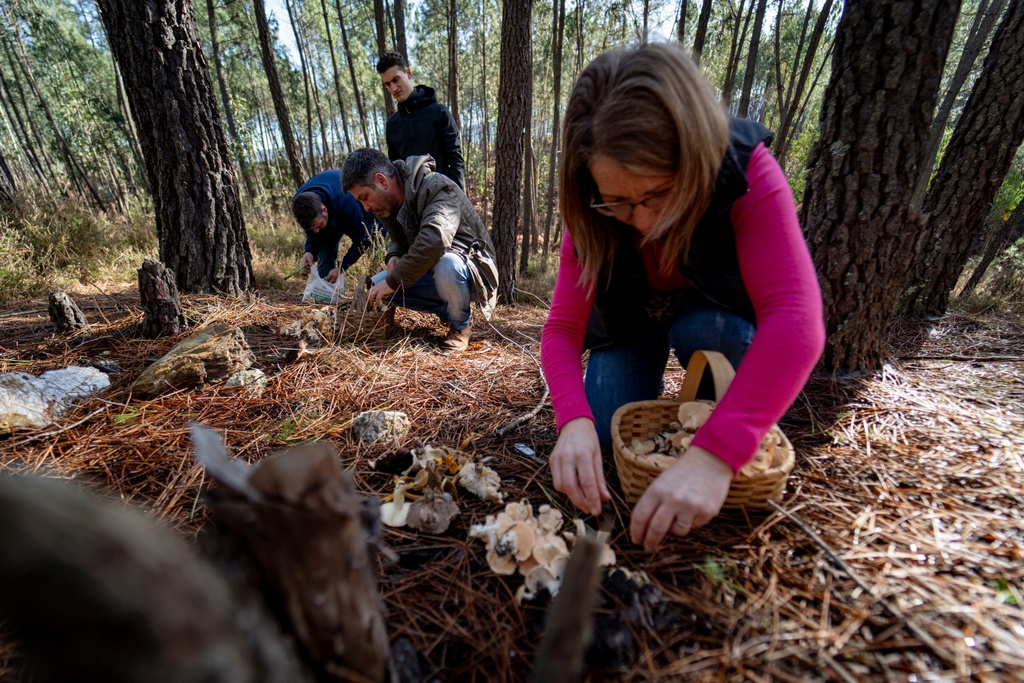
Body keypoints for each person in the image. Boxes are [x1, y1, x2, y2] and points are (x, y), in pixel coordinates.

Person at [540, 43, 826, 552]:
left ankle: (712, 423)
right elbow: (562, 330)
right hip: (630, 321)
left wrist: (714, 457)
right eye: (620, 203)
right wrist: (573, 421)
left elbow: (796, 319)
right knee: (605, 429)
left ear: (694, 159)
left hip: (710, 312)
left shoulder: (742, 170)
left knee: (715, 334)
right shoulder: (589, 208)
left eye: (658, 194)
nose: (644, 223)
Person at [340, 148, 498, 352]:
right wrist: (394, 255)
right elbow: (399, 240)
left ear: (381, 180)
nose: (366, 208)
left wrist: (395, 279)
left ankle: (461, 327)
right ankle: (448, 310)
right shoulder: (388, 203)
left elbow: (435, 240)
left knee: (447, 265)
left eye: (365, 197)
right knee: (378, 287)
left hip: (473, 271)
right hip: (433, 265)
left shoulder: (437, 187)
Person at [376, 52, 465, 190]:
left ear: (408, 73)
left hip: (443, 196)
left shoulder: (439, 112)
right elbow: (396, 171)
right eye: (387, 84)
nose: (393, 88)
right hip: (413, 203)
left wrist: (456, 197)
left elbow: (455, 160)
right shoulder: (392, 126)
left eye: (396, 80)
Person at [292, 170, 385, 284]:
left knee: (380, 249)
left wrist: (342, 268)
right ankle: (328, 292)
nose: (316, 232)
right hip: (331, 212)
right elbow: (312, 229)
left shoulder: (346, 203)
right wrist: (310, 251)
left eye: (318, 225)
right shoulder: (300, 202)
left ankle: (385, 288)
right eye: (312, 228)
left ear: (324, 209)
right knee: (325, 255)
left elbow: (362, 241)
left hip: (363, 214)